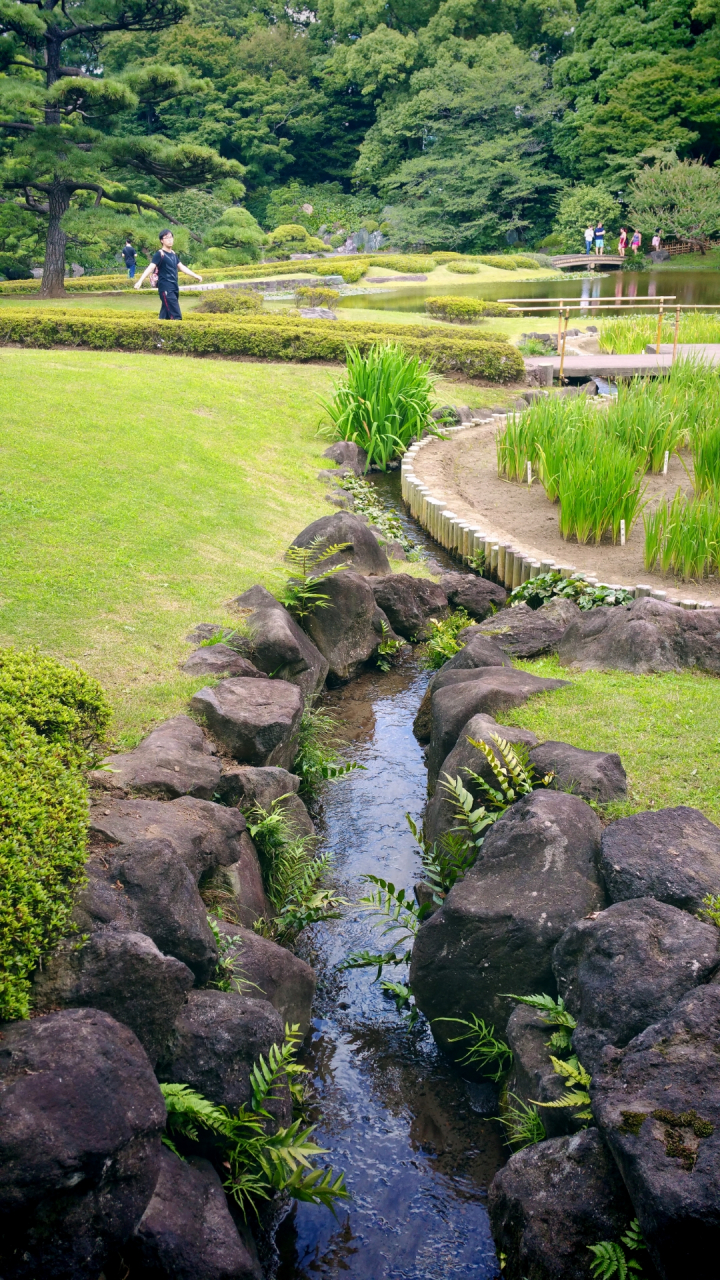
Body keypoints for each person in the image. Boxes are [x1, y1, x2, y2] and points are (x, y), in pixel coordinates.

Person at [134, 229, 202, 319]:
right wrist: (140, 281)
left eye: (171, 237)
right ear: (162, 240)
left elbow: (182, 267)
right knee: (176, 316)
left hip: (174, 287)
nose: (170, 240)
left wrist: (195, 275)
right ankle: (178, 332)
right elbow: (150, 268)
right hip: (166, 288)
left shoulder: (173, 254)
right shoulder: (160, 254)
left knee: (165, 315)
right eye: (167, 238)